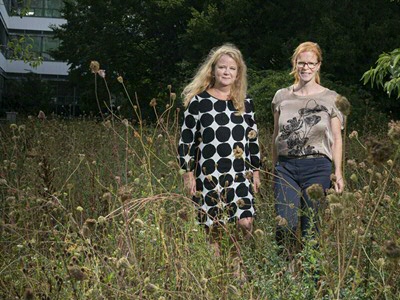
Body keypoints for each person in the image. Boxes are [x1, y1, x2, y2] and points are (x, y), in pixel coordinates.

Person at [177, 43, 261, 256]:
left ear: (238, 73)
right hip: (209, 175)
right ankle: (219, 279)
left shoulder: (245, 102)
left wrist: (256, 171)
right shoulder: (199, 102)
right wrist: (188, 175)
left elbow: (253, 139)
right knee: (214, 229)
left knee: (245, 223)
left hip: (240, 174)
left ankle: (238, 264)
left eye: (232, 68)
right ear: (213, 70)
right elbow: (186, 141)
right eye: (222, 67)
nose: (226, 72)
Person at [271, 41, 344, 259]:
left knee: (311, 227)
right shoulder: (281, 96)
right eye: (301, 62)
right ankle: (284, 274)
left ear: (319, 65)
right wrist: (274, 167)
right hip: (286, 167)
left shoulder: (332, 98)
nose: (305, 68)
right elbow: (275, 134)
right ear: (295, 63)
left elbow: (337, 139)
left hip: (317, 167)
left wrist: (338, 172)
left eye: (311, 63)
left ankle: (312, 279)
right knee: (285, 224)